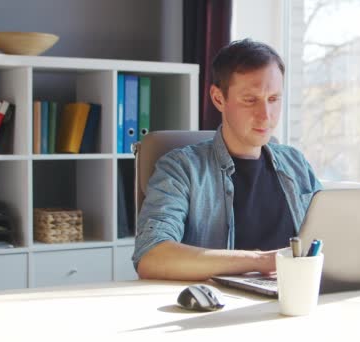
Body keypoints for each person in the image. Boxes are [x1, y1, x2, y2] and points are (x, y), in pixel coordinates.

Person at [133, 38, 322, 281]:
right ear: (218, 98)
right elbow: (151, 256)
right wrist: (261, 261)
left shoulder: (297, 164)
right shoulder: (180, 168)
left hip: (298, 297)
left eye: (273, 99)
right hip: (220, 308)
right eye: (250, 100)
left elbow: (331, 237)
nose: (266, 116)